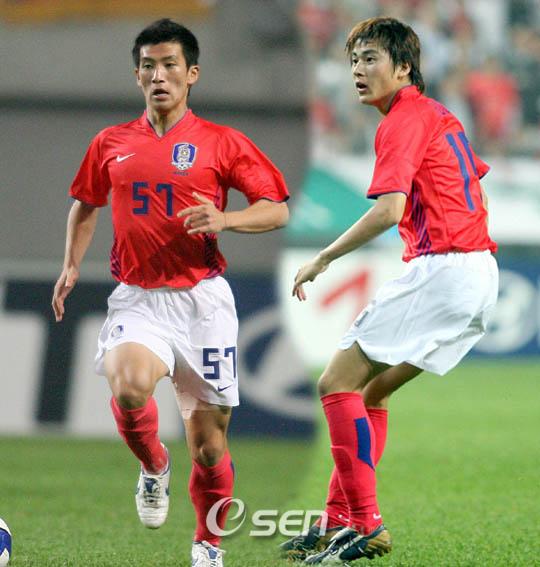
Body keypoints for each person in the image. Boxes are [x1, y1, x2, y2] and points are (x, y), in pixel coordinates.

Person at [51, 18, 289, 567]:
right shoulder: (110, 143)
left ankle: (207, 545)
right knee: (130, 386)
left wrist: (226, 220)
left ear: (192, 74)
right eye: (148, 66)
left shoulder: (222, 142)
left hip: (203, 301)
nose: (159, 75)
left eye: (169, 65)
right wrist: (70, 265)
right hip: (138, 297)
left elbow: (276, 208)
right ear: (137, 76)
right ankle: (154, 466)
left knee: (209, 447)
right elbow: (86, 205)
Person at [281, 16, 498, 564]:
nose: (358, 69)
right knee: (371, 392)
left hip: (444, 268)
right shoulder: (439, 114)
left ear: (404, 68)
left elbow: (388, 211)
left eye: (371, 58)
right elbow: (474, 186)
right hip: (479, 272)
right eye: (354, 59)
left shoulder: (401, 119)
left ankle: (366, 523)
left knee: (335, 382)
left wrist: (323, 258)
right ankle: (337, 520)